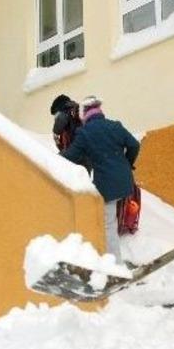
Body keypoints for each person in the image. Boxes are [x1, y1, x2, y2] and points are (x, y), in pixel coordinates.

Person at [61, 96, 140, 263]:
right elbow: (134, 145)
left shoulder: (85, 133)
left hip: (107, 186)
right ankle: (110, 254)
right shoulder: (115, 126)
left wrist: (52, 157)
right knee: (113, 217)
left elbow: (71, 156)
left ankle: (115, 264)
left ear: (85, 114)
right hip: (125, 181)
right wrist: (127, 164)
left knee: (108, 224)